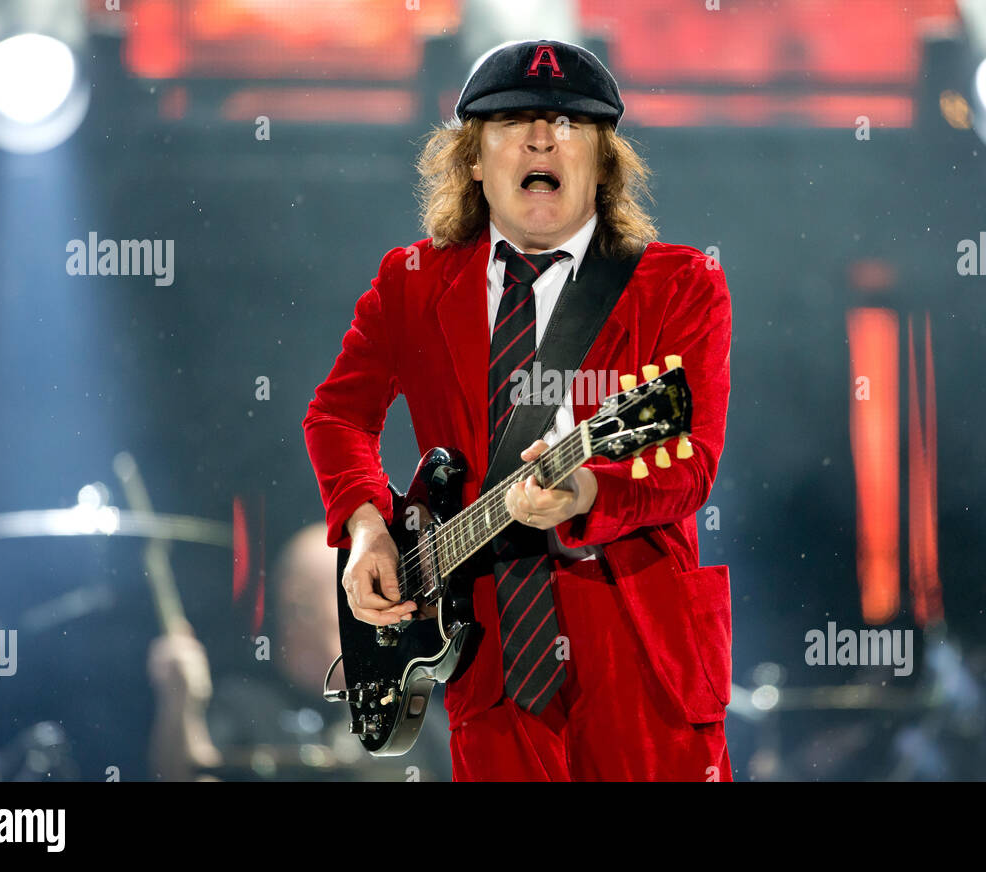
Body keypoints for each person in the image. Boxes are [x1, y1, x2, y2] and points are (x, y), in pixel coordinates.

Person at [303, 39, 733, 781]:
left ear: (602, 160)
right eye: (513, 122)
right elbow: (337, 416)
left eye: (568, 124)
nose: (542, 137)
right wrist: (369, 529)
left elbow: (690, 465)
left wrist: (590, 490)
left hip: (644, 666)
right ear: (472, 158)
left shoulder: (679, 285)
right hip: (489, 672)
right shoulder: (411, 282)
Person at [147, 524, 451, 781]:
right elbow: (191, 773)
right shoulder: (241, 707)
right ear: (299, 606)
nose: (378, 607)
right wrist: (180, 701)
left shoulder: (411, 713)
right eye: (355, 592)